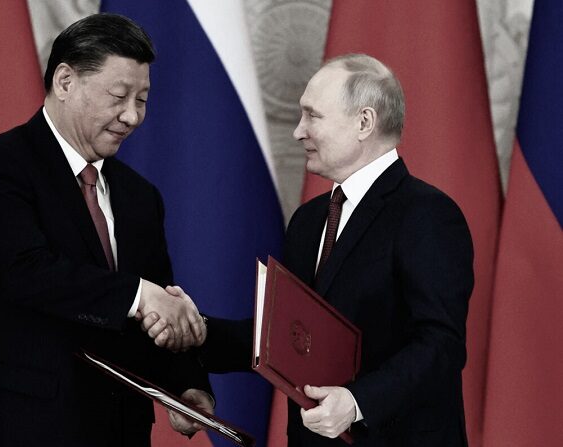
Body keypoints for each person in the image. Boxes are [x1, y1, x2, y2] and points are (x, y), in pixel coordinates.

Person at [146, 53, 474, 446]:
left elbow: (441, 345)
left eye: (312, 116)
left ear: (364, 123)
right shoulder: (309, 219)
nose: (298, 131)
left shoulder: (428, 214)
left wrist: (356, 403)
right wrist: (196, 330)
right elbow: (288, 340)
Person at [0, 13, 213, 447]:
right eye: (119, 96)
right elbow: (25, 273)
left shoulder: (140, 196)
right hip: (15, 429)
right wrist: (142, 296)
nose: (132, 115)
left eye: (143, 99)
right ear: (65, 81)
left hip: (118, 432)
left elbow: (156, 308)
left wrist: (187, 386)